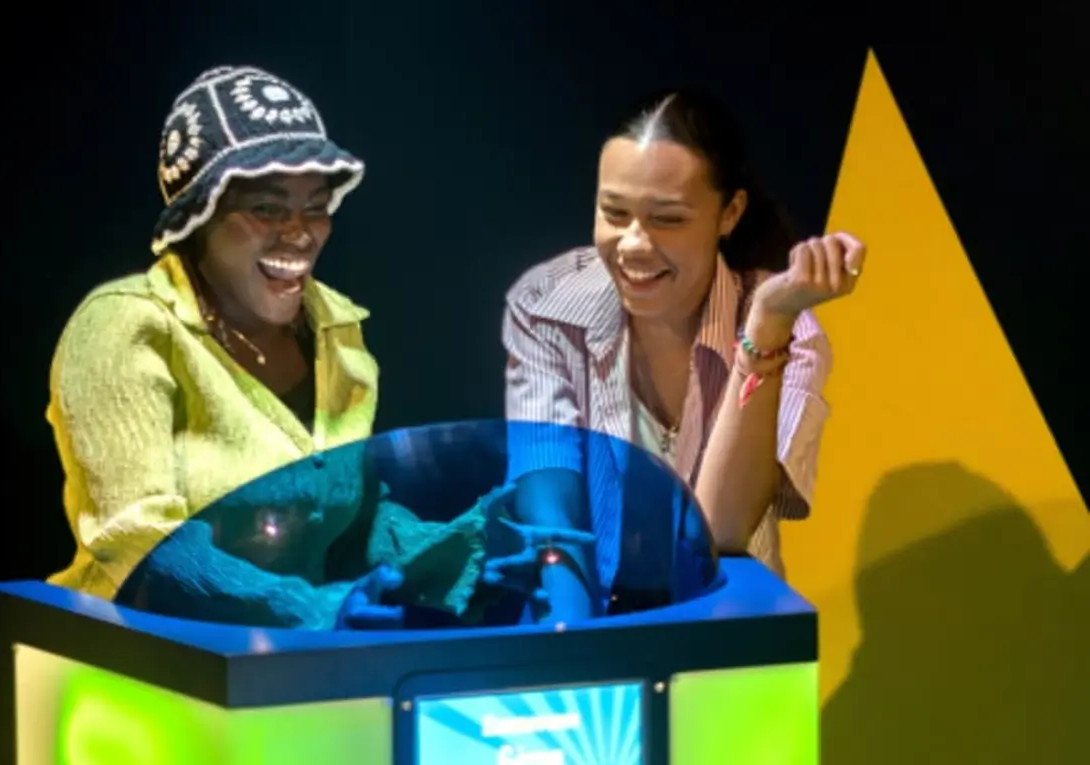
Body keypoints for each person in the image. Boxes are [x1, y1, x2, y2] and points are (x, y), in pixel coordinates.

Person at [46, 65, 540, 630]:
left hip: (286, 661)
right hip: (137, 657)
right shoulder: (125, 326)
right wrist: (312, 609)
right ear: (198, 216)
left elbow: (349, 521)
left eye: (317, 206)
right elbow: (138, 543)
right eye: (267, 208)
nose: (302, 233)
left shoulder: (336, 328)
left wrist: (462, 560)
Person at [500, 88, 866, 622]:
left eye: (667, 219)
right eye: (614, 213)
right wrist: (575, 642)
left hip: (725, 631)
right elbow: (547, 497)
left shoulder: (790, 330)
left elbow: (722, 532)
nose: (633, 244)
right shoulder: (545, 305)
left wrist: (767, 323)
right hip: (582, 621)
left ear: (729, 213)